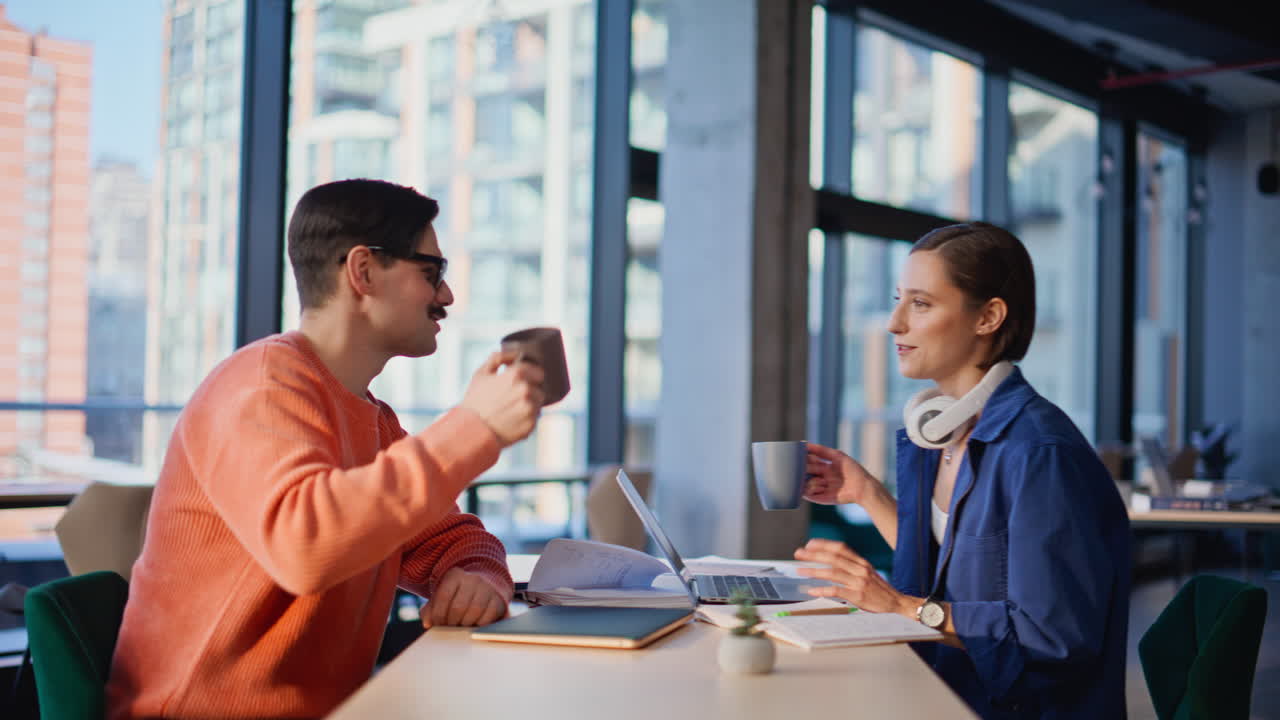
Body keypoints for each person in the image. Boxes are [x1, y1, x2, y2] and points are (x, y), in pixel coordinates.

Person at [107, 179, 546, 719]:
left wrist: (479, 576)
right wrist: (475, 427)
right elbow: (306, 545)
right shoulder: (260, 387)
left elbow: (450, 538)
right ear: (362, 271)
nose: (447, 296)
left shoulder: (372, 419)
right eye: (432, 272)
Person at [793, 222, 1129, 719]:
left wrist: (901, 607)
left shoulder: (1038, 453)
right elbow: (952, 568)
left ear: (988, 317)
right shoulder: (944, 433)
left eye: (921, 304)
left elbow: (1052, 636)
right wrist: (867, 493)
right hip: (947, 690)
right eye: (898, 298)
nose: (894, 323)